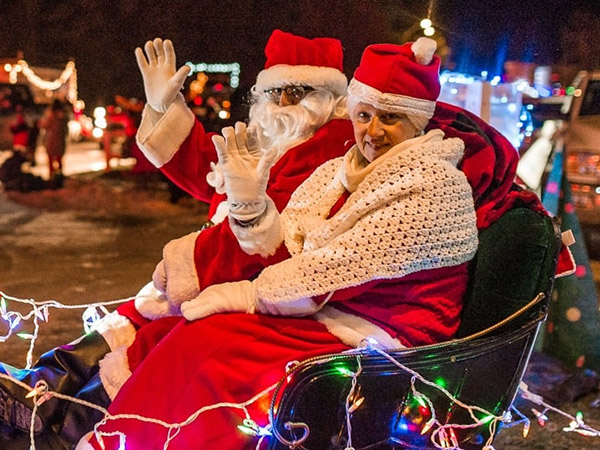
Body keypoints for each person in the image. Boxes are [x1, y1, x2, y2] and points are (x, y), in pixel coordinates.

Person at [77, 37, 479, 450]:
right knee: (198, 336)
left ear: (417, 122)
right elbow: (288, 239)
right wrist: (251, 207)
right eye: (365, 115)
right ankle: (118, 434)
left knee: (222, 359)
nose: (373, 131)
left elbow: (334, 271)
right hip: (324, 309)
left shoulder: (433, 185)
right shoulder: (343, 170)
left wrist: (240, 293)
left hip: (380, 332)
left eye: (390, 117)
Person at [0, 30, 353, 448]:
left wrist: (191, 262)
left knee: (152, 335)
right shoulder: (277, 143)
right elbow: (212, 168)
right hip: (222, 276)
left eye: (295, 93)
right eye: (274, 92)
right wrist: (165, 107)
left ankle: (66, 416)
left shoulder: (326, 152)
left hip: (253, 287)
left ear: (326, 98)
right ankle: (41, 386)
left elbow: (271, 236)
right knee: (135, 314)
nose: (280, 105)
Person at [40, 99, 69, 183]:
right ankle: (60, 176)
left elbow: (45, 125)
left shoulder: (50, 115)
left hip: (51, 139)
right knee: (59, 159)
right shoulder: (63, 115)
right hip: (60, 139)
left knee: (50, 159)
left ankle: (51, 176)